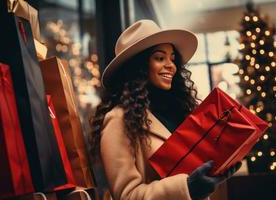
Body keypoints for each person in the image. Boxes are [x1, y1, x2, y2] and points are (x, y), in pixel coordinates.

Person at [90, 19, 241, 200]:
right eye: (160, 58)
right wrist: (188, 187)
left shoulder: (179, 111)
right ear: (139, 66)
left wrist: (215, 170)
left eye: (172, 58)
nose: (171, 65)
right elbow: (127, 195)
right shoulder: (118, 119)